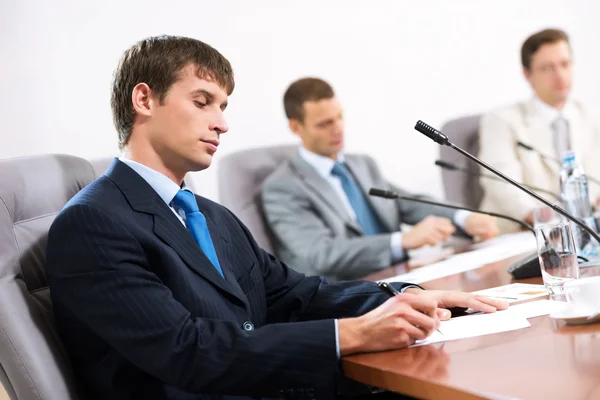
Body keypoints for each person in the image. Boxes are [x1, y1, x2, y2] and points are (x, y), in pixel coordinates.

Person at [46, 36, 507, 400]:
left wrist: (410, 296)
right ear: (144, 100)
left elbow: (297, 293)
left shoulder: (211, 215)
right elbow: (187, 350)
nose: (222, 123)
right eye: (203, 101)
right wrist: (351, 333)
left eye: (223, 106)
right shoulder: (93, 223)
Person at [261, 78, 499, 281]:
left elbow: (406, 202)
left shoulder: (361, 164)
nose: (338, 129)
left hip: (401, 276)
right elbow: (321, 254)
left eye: (340, 117)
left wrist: (463, 218)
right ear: (295, 127)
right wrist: (402, 241)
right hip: (344, 290)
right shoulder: (283, 187)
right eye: (325, 124)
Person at [479, 28, 600, 231]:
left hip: (590, 232)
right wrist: (548, 222)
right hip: (526, 234)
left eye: (565, 64)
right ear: (527, 74)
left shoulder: (592, 115)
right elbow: (502, 184)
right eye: (547, 68)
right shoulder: (501, 120)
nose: (560, 75)